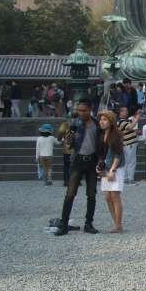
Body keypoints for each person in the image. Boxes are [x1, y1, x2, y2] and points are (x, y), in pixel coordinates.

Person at [54, 99, 100, 236]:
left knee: (91, 194)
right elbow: (68, 144)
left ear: (90, 110)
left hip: (92, 161)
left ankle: (89, 223)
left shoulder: (97, 124)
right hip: (77, 161)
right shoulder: (74, 123)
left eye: (84, 110)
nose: (81, 113)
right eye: (79, 110)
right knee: (70, 193)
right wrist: (69, 137)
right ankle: (64, 224)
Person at [96, 110, 125, 233]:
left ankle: (118, 225)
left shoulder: (116, 135)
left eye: (104, 119)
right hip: (106, 167)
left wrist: (112, 170)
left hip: (116, 167)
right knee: (107, 197)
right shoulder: (101, 136)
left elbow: (118, 154)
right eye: (101, 119)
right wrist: (99, 166)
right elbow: (101, 154)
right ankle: (116, 223)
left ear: (111, 121)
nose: (101, 122)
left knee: (115, 196)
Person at [117, 106, 139, 184]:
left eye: (126, 110)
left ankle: (126, 178)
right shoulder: (122, 122)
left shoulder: (121, 121)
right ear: (121, 112)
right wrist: (137, 118)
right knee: (131, 162)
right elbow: (131, 127)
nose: (126, 112)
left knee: (126, 162)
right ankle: (130, 178)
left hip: (126, 144)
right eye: (125, 111)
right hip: (129, 144)